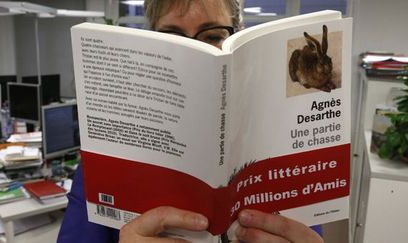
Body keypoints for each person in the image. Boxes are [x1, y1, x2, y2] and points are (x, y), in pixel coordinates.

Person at [58, 1, 324, 242]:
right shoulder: (106, 159)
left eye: (212, 36)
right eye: (172, 37)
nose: (196, 52)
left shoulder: (286, 152)